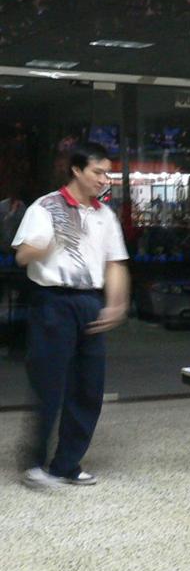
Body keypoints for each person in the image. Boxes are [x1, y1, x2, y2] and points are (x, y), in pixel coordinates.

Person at [12, 141, 130, 489]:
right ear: (77, 170)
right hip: (53, 301)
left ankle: (66, 464)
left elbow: (115, 263)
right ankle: (34, 463)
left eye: (107, 173)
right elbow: (22, 256)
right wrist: (41, 247)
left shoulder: (105, 215)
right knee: (48, 384)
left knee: (88, 387)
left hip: (90, 302)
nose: (104, 179)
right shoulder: (45, 207)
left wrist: (117, 302)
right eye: (98, 172)